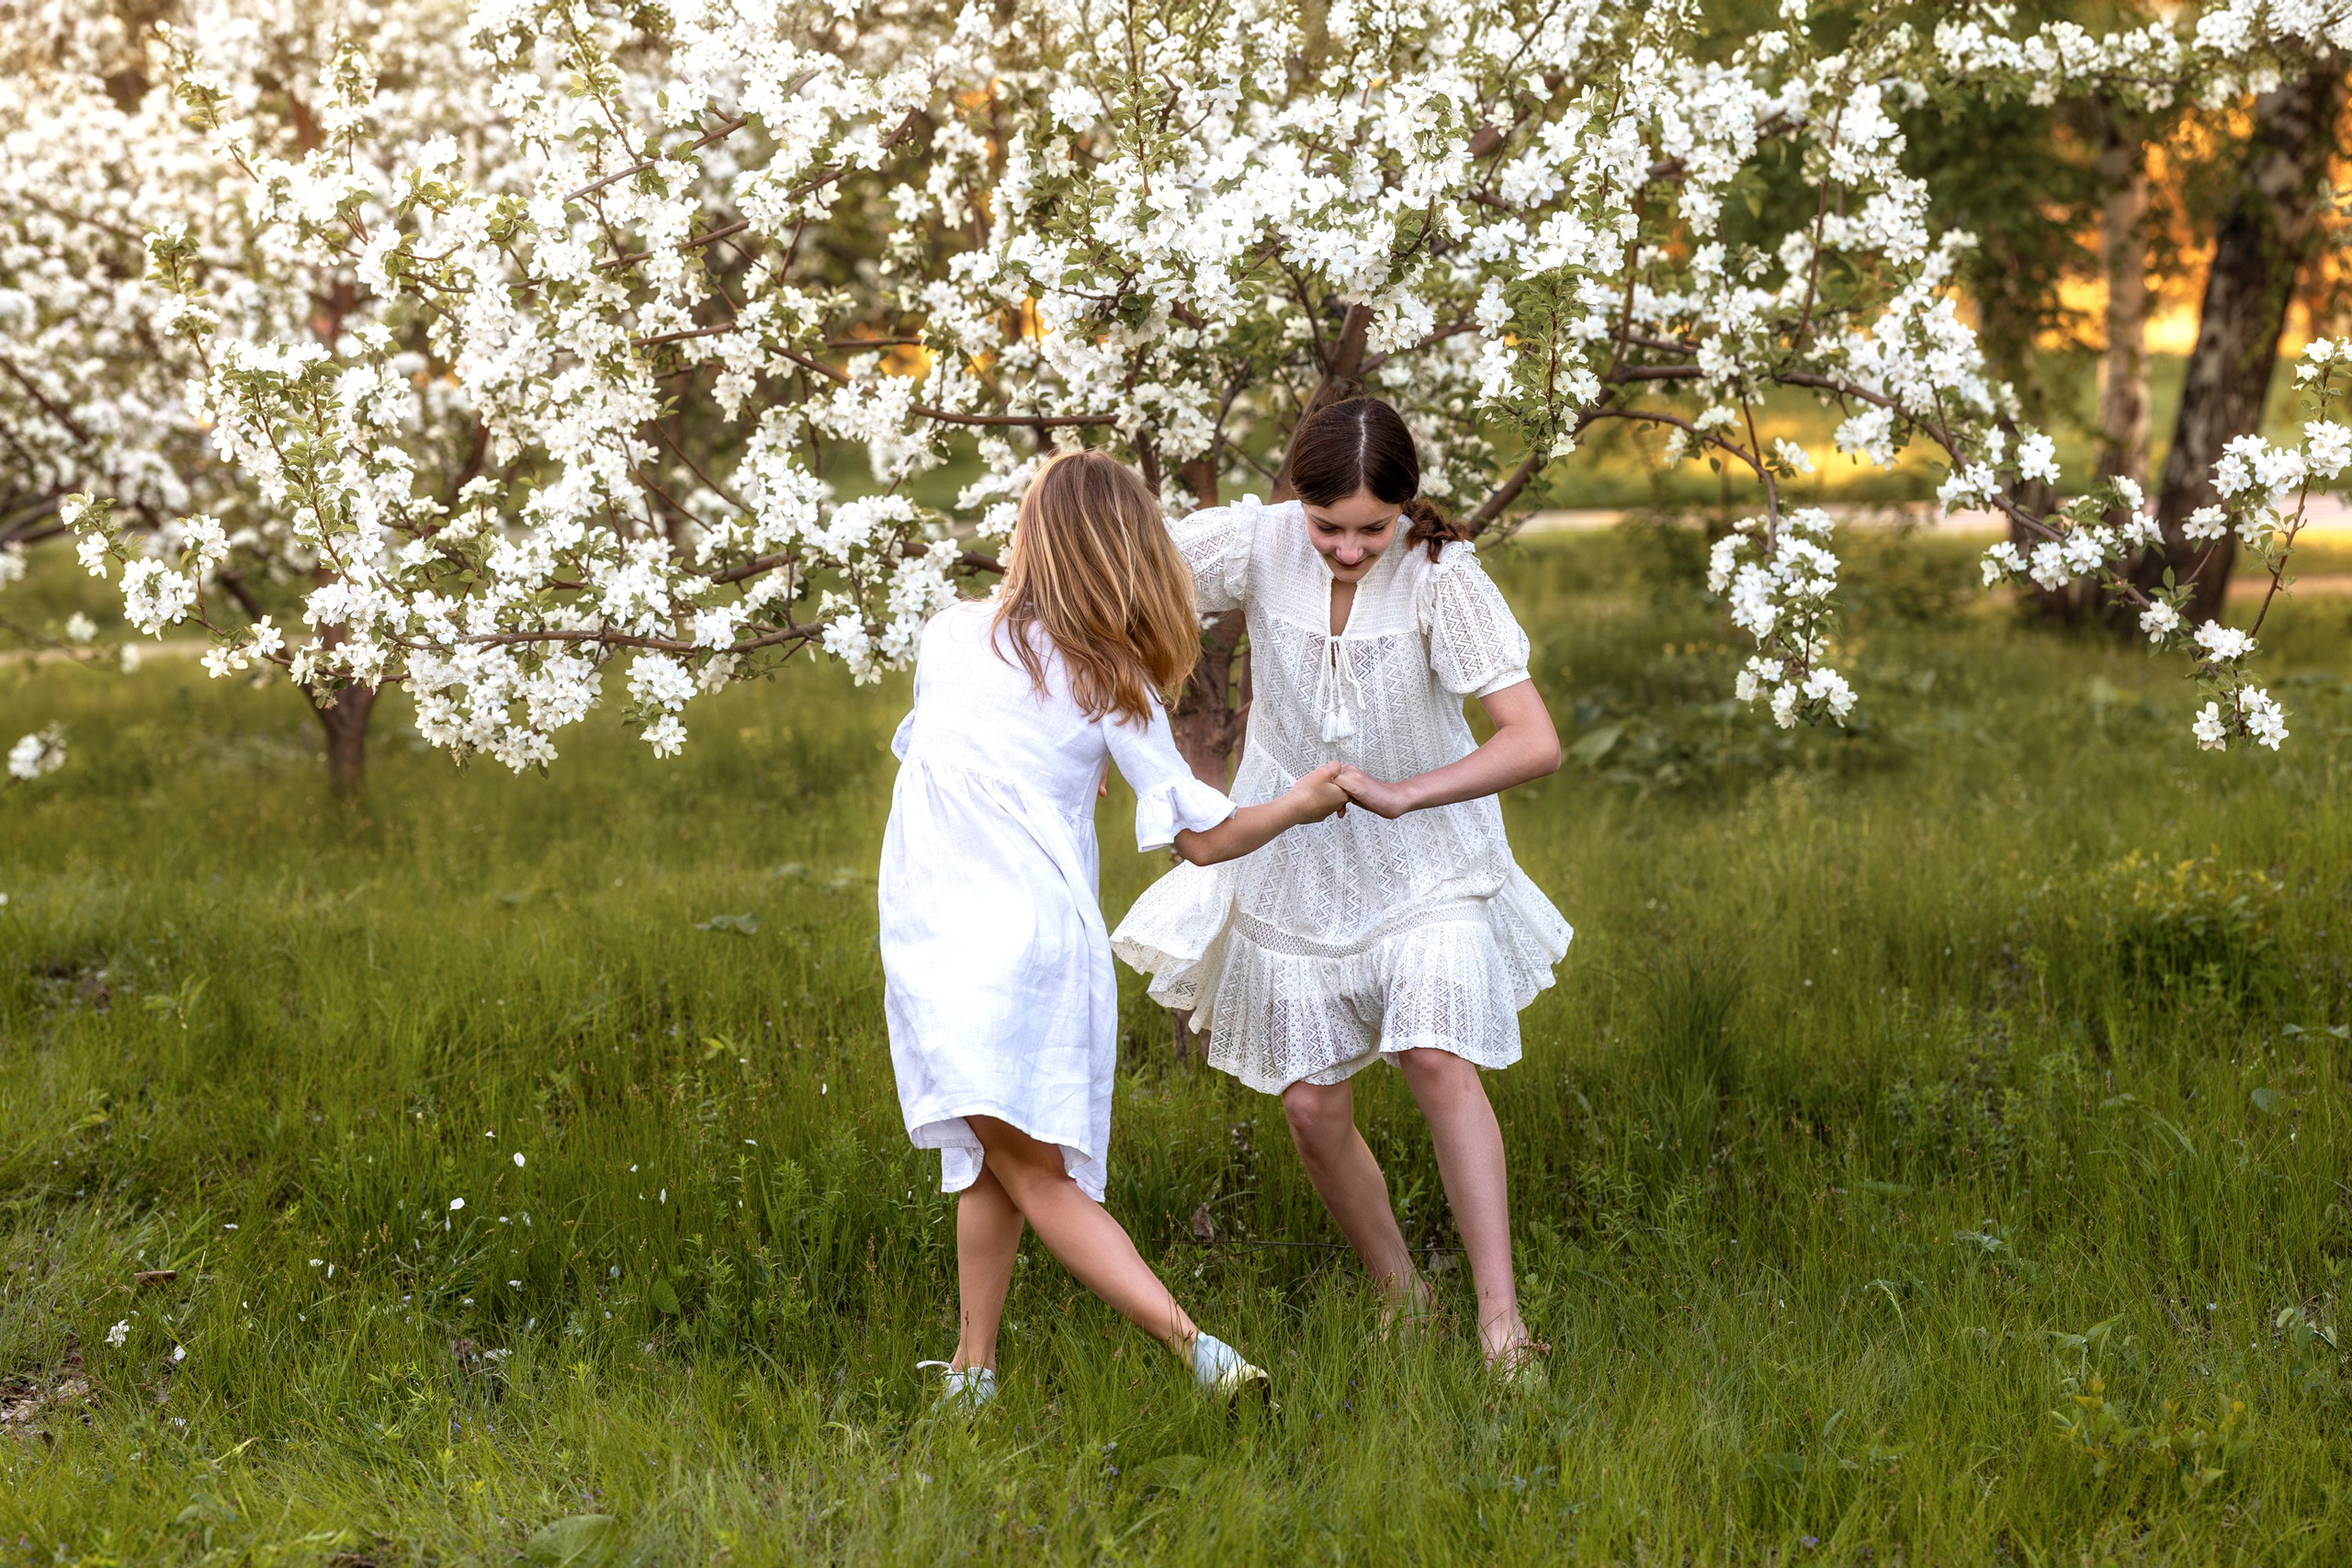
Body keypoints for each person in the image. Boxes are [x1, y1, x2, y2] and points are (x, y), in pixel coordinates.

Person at [880, 450, 1351, 1409]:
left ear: (1029, 536)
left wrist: (1297, 806)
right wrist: (1293, 805)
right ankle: (972, 1372)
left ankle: (1199, 1353)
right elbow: (1201, 838)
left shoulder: (947, 635)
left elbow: (948, 750)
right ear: (1129, 551)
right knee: (995, 1158)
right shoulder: (1114, 682)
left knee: (1035, 1175)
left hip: (952, 937)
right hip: (1042, 940)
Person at [1112, 398, 1571, 1377]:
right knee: (1311, 1110)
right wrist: (1125, 723)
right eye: (1330, 527)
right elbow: (1111, 582)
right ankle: (1404, 1299)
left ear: (1405, 509)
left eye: (1375, 528)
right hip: (1293, 858)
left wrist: (1407, 795)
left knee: (1435, 1054)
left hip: (1427, 856)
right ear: (1295, 499)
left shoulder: (1443, 575)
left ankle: (1501, 1326)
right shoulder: (1255, 542)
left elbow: (1533, 741)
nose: (1351, 550)